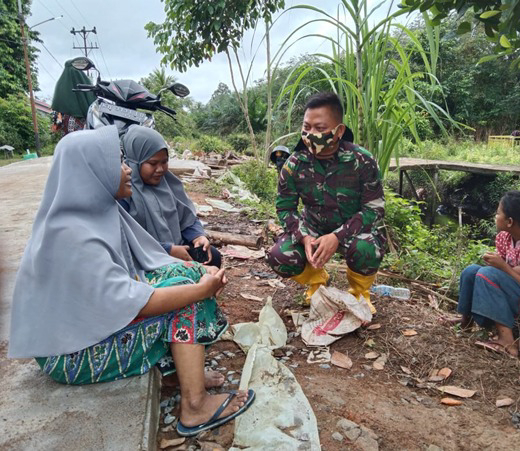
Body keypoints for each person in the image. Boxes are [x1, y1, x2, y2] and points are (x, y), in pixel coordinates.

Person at [8, 126, 254, 436]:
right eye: (119, 162)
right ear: (92, 170)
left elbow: (148, 257)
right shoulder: (72, 235)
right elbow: (133, 298)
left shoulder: (96, 210)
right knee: (189, 301)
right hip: (72, 354)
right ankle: (194, 407)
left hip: (87, 328)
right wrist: (200, 289)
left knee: (188, 276)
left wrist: (197, 271)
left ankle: (185, 372)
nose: (127, 170)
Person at [266, 92, 386, 314]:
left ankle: (360, 294)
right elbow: (285, 208)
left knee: (366, 249)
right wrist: (303, 236)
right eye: (307, 127)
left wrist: (337, 236)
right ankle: (317, 282)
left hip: (352, 230)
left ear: (339, 131)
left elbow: (374, 208)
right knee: (279, 255)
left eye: (320, 129)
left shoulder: (362, 160)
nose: (311, 134)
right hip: (313, 229)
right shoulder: (294, 163)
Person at [455, 190, 520, 358]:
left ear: (510, 221)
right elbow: (500, 270)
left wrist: (505, 268)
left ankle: (508, 342)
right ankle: (465, 323)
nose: (495, 216)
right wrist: (513, 269)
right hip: (514, 294)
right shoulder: (504, 237)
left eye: (498, 213)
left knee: (486, 273)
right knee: (471, 271)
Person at [120, 125, 221, 267]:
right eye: (153, 163)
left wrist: (198, 236)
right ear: (135, 161)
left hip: (177, 248)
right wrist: (167, 250)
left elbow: (187, 218)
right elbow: (125, 238)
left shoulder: (169, 185)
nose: (160, 169)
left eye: (164, 161)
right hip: (144, 257)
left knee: (212, 256)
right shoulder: (124, 191)